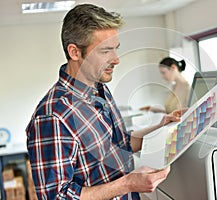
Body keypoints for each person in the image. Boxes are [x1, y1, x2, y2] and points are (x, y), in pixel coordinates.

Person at [26, 4, 183, 200]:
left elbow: (121, 144)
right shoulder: (53, 115)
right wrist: (128, 183)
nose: (116, 59)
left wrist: (160, 127)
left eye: (115, 49)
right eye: (105, 51)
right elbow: (57, 197)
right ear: (75, 52)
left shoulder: (100, 90)